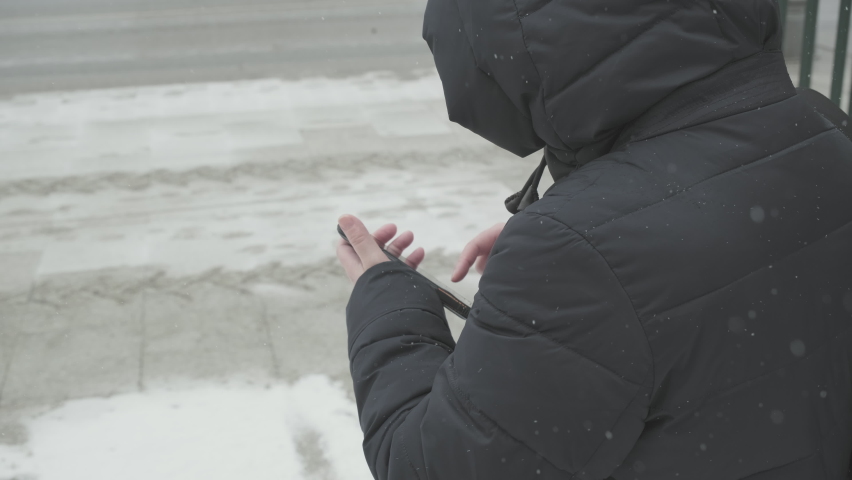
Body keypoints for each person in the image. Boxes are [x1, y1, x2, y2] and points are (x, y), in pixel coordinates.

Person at [335, 0, 852, 478]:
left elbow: (431, 466)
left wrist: (388, 301)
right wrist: (586, 224)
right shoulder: (822, 126)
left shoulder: (575, 257)